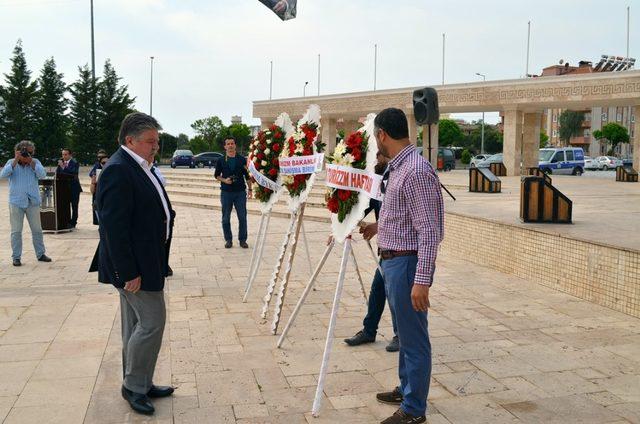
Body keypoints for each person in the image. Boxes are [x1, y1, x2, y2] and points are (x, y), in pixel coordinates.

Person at [93, 112, 175, 416]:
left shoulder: (137, 166)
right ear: (131, 140)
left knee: (134, 325)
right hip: (134, 268)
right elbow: (113, 228)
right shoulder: (118, 170)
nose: (156, 146)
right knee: (152, 323)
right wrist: (127, 273)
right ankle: (134, 386)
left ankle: (140, 380)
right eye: (150, 141)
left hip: (147, 261)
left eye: (156, 141)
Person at [372, 108, 444, 424]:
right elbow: (406, 217)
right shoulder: (399, 167)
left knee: (413, 339)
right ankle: (407, 389)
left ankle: (414, 411)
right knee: (403, 334)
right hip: (394, 261)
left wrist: (422, 280)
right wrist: (379, 229)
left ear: (383, 135)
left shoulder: (415, 171)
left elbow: (429, 230)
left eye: (376, 136)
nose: (376, 142)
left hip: (406, 265)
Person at [344, 153, 399, 352]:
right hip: (386, 249)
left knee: (394, 293)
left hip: (401, 250)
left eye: (378, 155)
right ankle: (369, 330)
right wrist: (343, 220)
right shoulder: (377, 180)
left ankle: (399, 334)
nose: (375, 159)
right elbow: (367, 207)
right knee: (378, 289)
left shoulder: (396, 176)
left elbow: (399, 215)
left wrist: (377, 226)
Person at [0, 140, 52, 266]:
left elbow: (42, 175)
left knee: (37, 230)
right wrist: (16, 160)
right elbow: (3, 175)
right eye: (25, 152)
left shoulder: (35, 162)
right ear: (17, 152)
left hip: (32, 202)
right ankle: (16, 257)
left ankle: (40, 254)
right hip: (16, 202)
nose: (28, 155)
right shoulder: (11, 163)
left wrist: (31, 162)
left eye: (30, 152)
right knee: (16, 231)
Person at [214, 137, 252, 249]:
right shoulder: (221, 160)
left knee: (242, 217)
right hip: (226, 193)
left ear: (235, 145)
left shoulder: (241, 159)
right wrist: (225, 180)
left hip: (240, 193)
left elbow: (248, 176)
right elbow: (216, 175)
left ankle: (242, 240)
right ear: (225, 146)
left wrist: (250, 190)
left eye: (232, 143)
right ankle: (228, 240)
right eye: (228, 144)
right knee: (225, 218)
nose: (230, 145)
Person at [56, 148, 83, 228]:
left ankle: (73, 222)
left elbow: (72, 172)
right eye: (62, 154)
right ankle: (66, 221)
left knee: (74, 206)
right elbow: (58, 173)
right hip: (64, 188)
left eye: (65, 154)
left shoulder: (75, 162)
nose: (63, 156)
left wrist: (63, 166)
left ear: (70, 155)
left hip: (74, 188)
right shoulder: (61, 163)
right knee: (65, 205)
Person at [89, 150, 108, 225]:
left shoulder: (114, 170)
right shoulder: (96, 166)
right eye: (103, 163)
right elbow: (92, 190)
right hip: (98, 197)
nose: (105, 164)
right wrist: (94, 182)